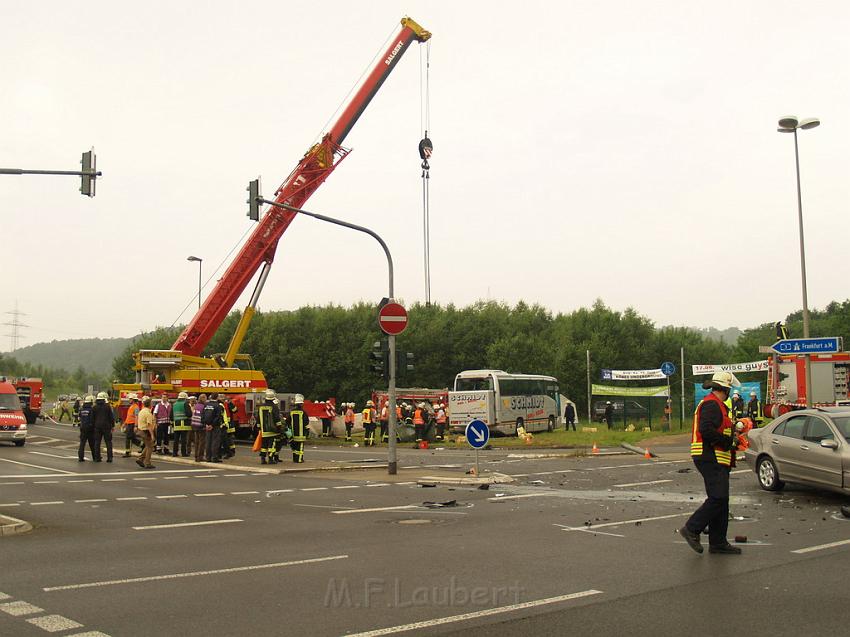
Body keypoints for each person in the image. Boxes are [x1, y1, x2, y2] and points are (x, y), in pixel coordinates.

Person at [679, 371, 742, 555]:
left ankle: (718, 542)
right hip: (709, 456)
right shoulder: (712, 404)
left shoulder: (717, 405)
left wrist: (732, 439)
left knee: (722, 500)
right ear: (725, 389)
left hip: (716, 458)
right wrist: (727, 441)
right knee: (718, 498)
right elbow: (706, 430)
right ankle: (691, 529)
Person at [257, 390, 281, 464]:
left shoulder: (261, 407)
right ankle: (271, 459)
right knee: (272, 445)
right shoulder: (274, 407)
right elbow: (277, 418)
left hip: (264, 430)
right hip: (272, 430)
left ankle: (263, 459)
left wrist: (259, 428)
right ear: (273, 398)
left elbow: (258, 418)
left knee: (264, 445)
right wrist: (279, 428)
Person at [91, 391, 115, 462]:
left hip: (97, 426)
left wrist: (93, 426)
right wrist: (112, 426)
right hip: (107, 427)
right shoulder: (107, 407)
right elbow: (111, 417)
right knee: (108, 442)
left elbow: (92, 418)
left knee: (97, 442)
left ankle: (97, 457)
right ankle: (109, 458)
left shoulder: (94, 407)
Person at [135, 395, 156, 469]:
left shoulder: (142, 411)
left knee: (148, 445)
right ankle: (147, 463)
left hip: (140, 430)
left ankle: (140, 459)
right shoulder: (148, 413)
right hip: (146, 431)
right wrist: (152, 435)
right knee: (150, 447)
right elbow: (149, 425)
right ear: (150, 404)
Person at [203, 393, 224, 463]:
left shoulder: (206, 405)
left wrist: (206, 424)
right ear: (217, 397)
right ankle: (214, 457)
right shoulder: (218, 406)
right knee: (215, 442)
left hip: (207, 426)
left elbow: (202, 415)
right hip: (215, 426)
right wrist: (212, 425)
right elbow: (218, 417)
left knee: (208, 441)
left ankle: (208, 457)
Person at [288, 394, 308, 463]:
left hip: (293, 433)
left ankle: (294, 459)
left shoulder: (291, 412)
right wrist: (306, 431)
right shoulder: (303, 412)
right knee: (300, 447)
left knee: (294, 447)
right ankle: (299, 459)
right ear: (302, 404)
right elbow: (306, 422)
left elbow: (288, 421)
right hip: (301, 433)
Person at [171, 391, 192, 457]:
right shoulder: (185, 404)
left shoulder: (174, 404)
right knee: (183, 439)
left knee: (176, 439)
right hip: (184, 423)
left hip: (176, 423)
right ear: (185, 398)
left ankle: (174, 452)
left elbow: (171, 416)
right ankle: (183, 453)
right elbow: (189, 414)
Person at [77, 395, 96, 461]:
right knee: (92, 444)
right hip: (90, 428)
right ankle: (95, 457)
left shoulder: (82, 409)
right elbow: (93, 419)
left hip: (82, 427)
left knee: (82, 443)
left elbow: (79, 417)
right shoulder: (91, 410)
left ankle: (80, 457)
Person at [191, 394, 207, 462]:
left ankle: (196, 456)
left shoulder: (196, 405)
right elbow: (204, 416)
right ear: (203, 399)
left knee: (197, 441)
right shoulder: (203, 406)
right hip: (200, 425)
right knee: (202, 442)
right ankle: (200, 457)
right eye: (205, 398)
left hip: (194, 425)